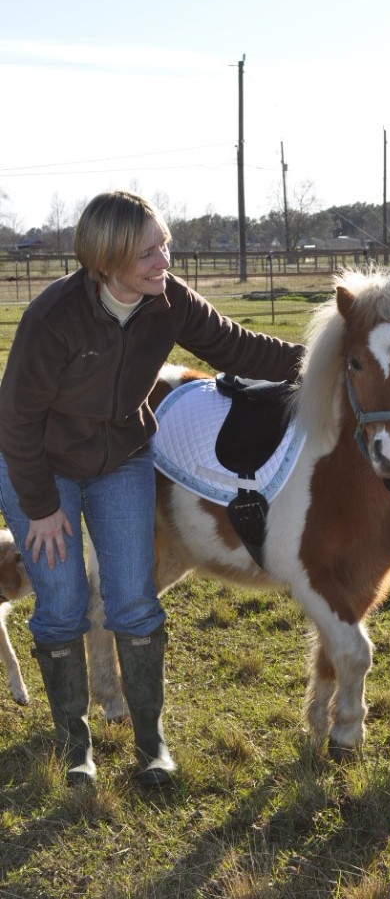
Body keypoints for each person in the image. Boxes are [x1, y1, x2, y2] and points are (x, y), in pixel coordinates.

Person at [0, 190, 303, 788]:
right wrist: (38, 509)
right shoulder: (52, 317)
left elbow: (239, 346)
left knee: (133, 598)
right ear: (108, 260)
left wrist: (323, 357)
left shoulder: (169, 301)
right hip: (38, 463)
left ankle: (150, 742)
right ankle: (74, 745)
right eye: (149, 251)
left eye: (164, 244)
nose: (165, 259)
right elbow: (15, 421)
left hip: (121, 457)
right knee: (60, 601)